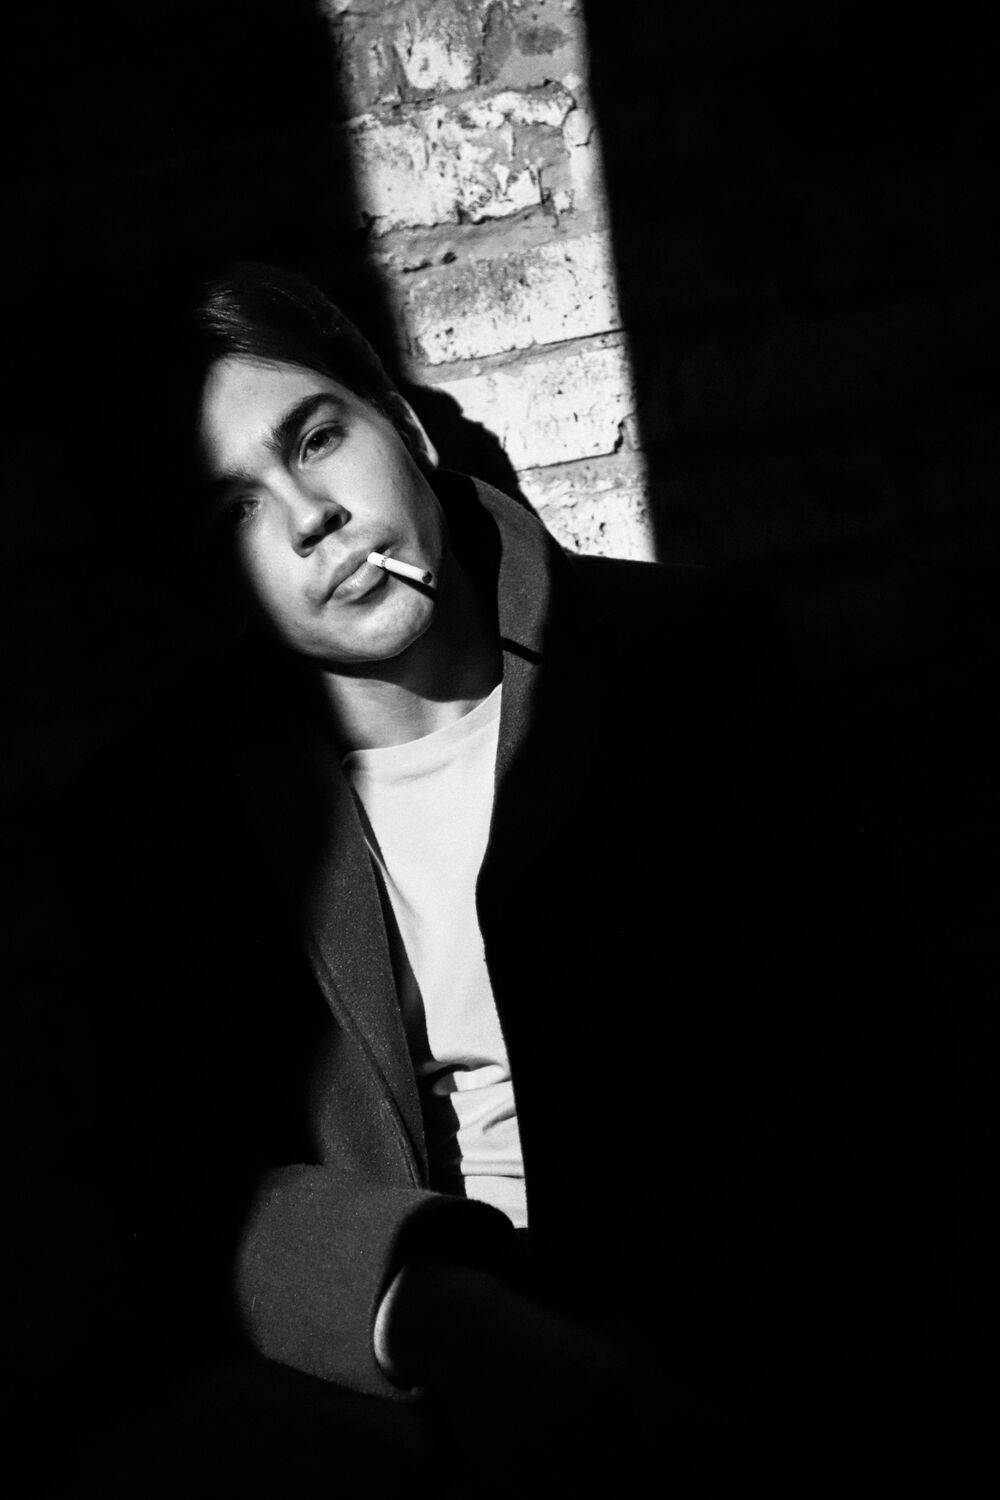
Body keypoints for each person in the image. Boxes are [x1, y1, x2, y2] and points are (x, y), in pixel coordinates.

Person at [13, 263, 953, 1497]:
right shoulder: (166, 820)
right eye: (235, 509)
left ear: (401, 424)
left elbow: (859, 1069)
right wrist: (428, 1305)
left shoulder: (690, 669)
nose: (310, 519)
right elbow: (171, 1191)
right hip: (404, 1414)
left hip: (723, 1366)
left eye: (315, 439)